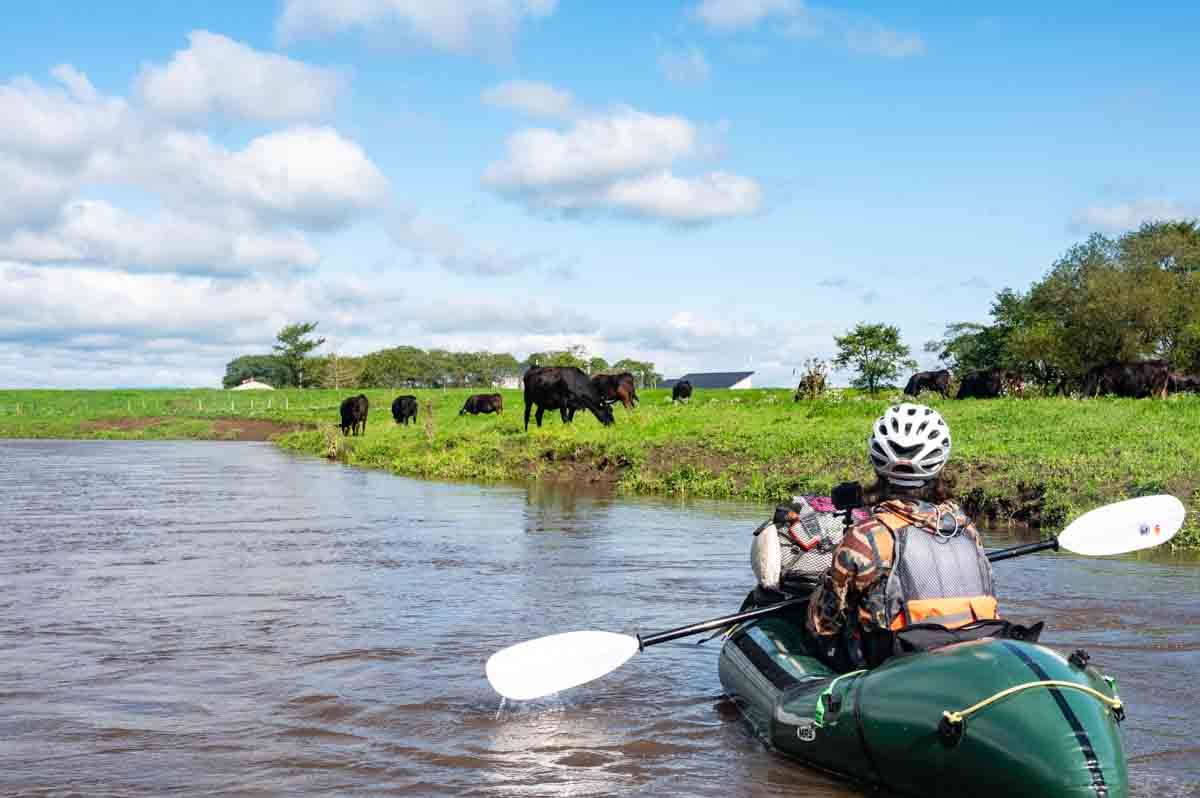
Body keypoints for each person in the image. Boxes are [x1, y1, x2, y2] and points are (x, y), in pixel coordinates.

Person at [806, 403, 998, 669]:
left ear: (879, 467)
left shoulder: (865, 537)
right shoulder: (966, 530)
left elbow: (825, 624)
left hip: (900, 669)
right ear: (940, 467)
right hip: (971, 658)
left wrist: (822, 587)